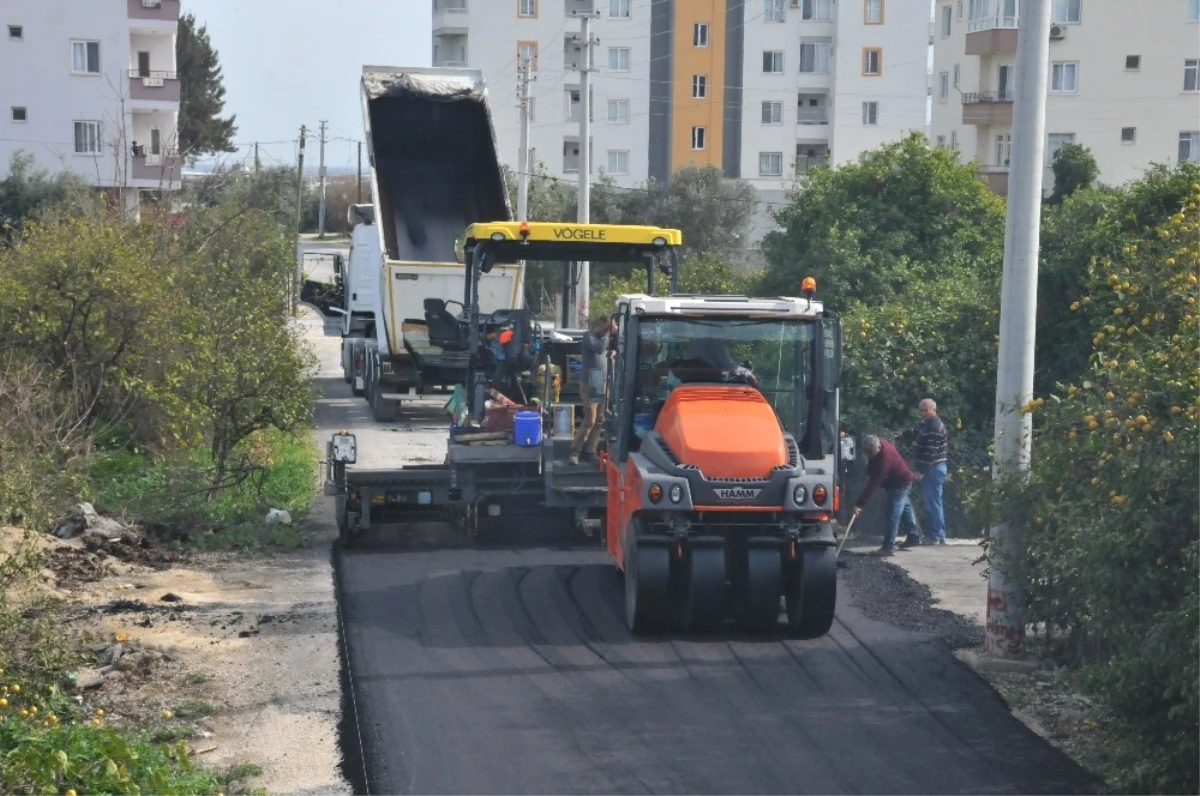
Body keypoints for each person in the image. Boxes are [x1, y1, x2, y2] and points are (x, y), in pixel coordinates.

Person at [853, 434, 919, 556]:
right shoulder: (878, 446)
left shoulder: (885, 460)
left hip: (900, 484)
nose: (869, 455)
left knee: (893, 514)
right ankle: (914, 537)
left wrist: (859, 504)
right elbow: (872, 464)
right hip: (901, 480)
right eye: (867, 452)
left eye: (871, 452)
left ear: (878, 447)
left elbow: (873, 484)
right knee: (905, 509)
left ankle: (888, 547)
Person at [568, 316, 617, 465]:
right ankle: (575, 451)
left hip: (601, 380)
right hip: (591, 380)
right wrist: (609, 334)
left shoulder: (606, 338)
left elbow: (615, 346)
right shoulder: (589, 336)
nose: (607, 330)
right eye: (606, 327)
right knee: (590, 419)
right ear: (599, 324)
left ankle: (590, 450)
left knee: (599, 420)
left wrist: (614, 346)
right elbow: (599, 348)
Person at [912, 398, 949, 545]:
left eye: (925, 410)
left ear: (934, 409)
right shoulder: (928, 425)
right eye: (921, 410)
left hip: (933, 468)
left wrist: (921, 471)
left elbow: (930, 452)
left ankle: (936, 536)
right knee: (932, 503)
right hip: (934, 467)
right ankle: (937, 535)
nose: (922, 413)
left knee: (933, 503)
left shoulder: (934, 427)